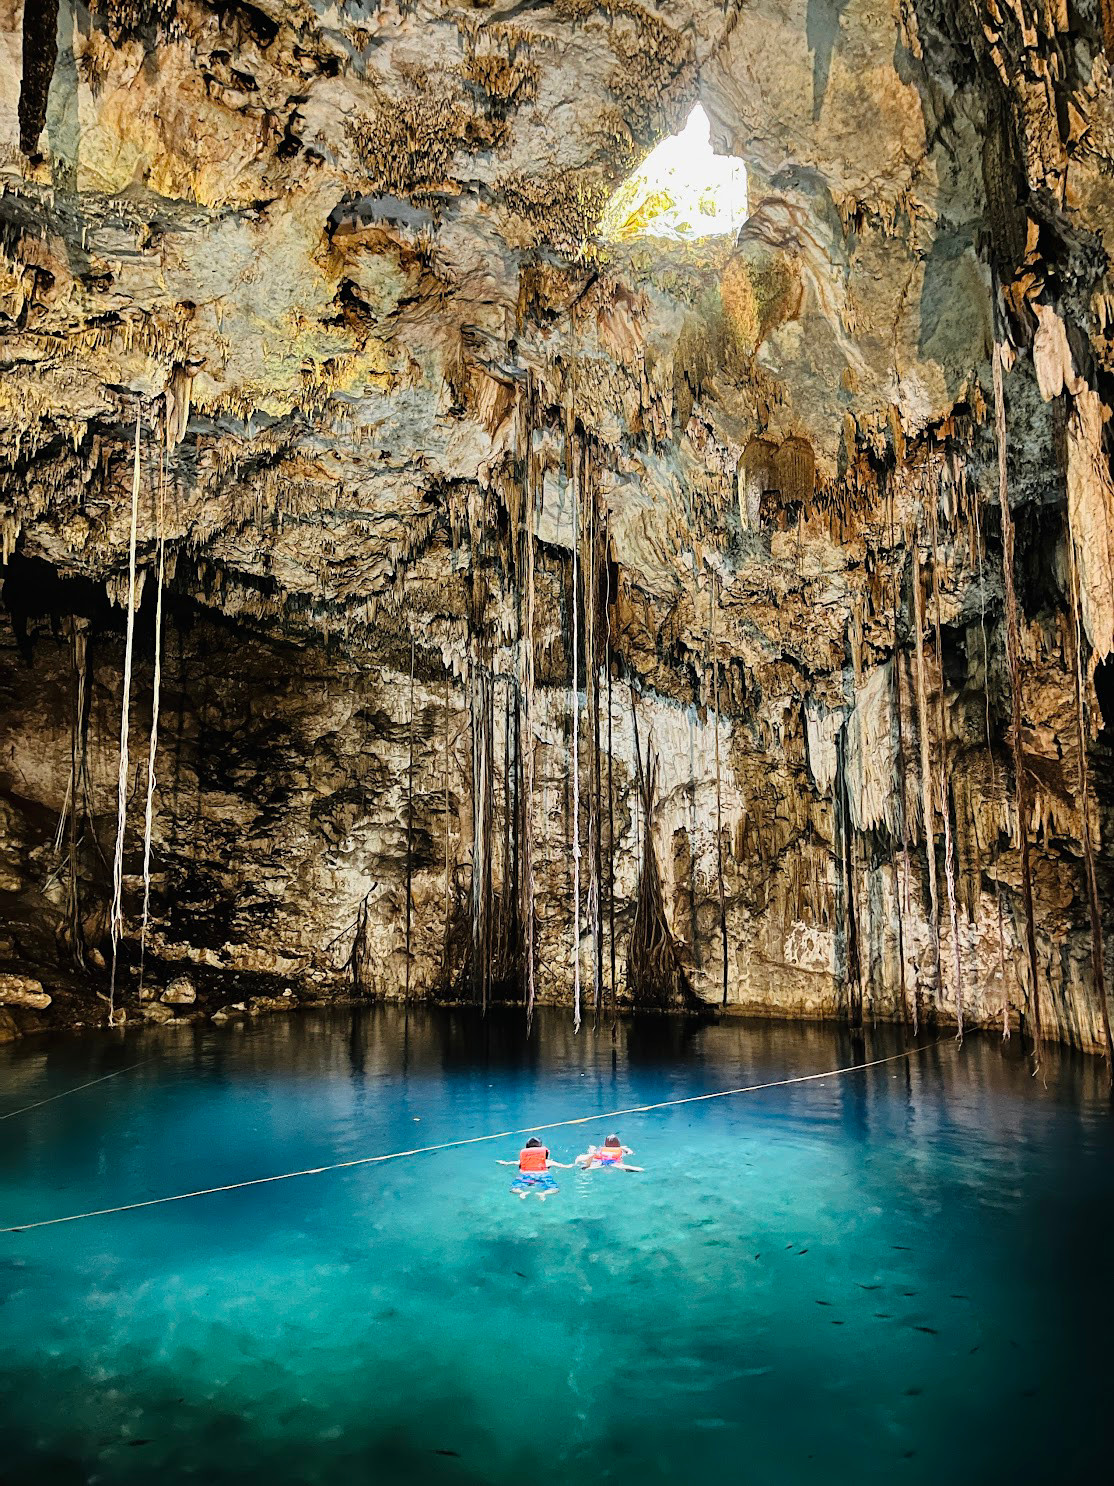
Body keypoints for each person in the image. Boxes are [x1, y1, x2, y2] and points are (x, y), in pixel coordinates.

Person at [496, 1136, 572, 1199]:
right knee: (554, 1189)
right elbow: (564, 1166)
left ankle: (522, 1193)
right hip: (542, 1175)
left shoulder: (523, 1161)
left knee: (514, 1189)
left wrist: (503, 1163)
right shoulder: (547, 1162)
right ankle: (543, 1194)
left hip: (526, 1175)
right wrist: (570, 1166)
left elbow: (509, 1163)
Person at [575, 1133, 643, 1171]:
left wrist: (592, 1148)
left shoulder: (601, 1148)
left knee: (597, 1163)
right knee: (618, 1165)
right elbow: (630, 1153)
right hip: (614, 1160)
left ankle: (587, 1167)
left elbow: (593, 1152)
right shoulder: (621, 1148)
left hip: (601, 1160)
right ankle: (628, 1168)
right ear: (618, 1143)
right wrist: (625, 1149)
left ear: (605, 1144)